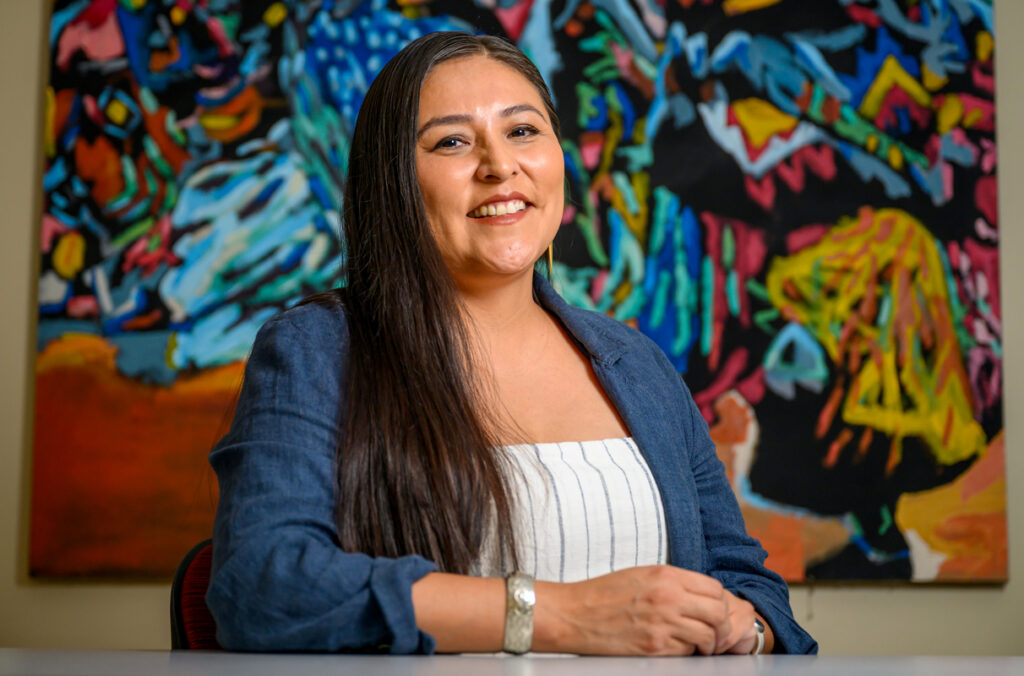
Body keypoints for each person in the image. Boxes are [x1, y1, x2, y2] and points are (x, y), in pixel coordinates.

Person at [206, 31, 817, 656]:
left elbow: (753, 592)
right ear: (392, 182)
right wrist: (563, 616)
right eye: (451, 141)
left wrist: (748, 628)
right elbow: (261, 585)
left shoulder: (636, 364)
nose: (500, 165)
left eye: (523, 131)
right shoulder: (315, 351)